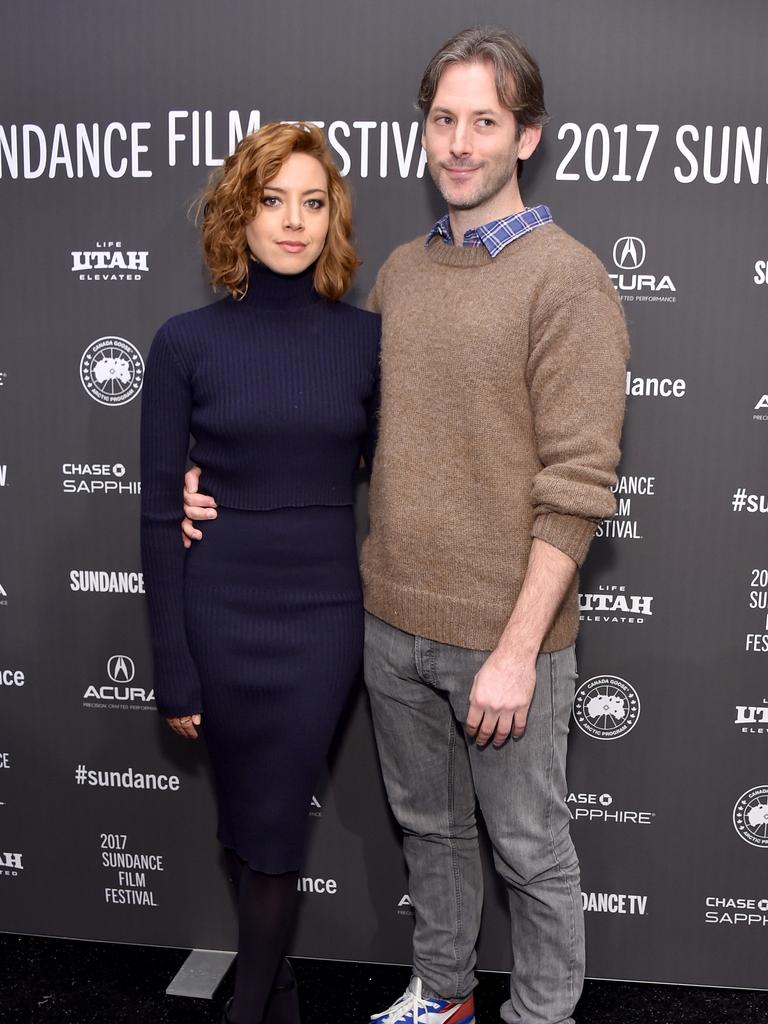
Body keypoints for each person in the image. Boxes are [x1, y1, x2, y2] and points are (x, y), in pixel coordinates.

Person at [183, 25, 628, 1024]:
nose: (461, 142)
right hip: (390, 625)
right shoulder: (400, 272)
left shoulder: (568, 279)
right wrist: (204, 481)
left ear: (526, 136)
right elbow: (338, 427)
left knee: (530, 846)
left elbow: (579, 486)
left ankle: (542, 1014)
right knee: (430, 831)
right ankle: (448, 991)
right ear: (424, 130)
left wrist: (516, 651)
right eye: (444, 119)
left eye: (485, 120)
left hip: (505, 640)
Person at [140, 120, 379, 1024]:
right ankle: (275, 988)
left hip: (323, 618)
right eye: (272, 201)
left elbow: (397, 472)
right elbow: (160, 513)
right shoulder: (183, 344)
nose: (293, 222)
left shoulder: (368, 343)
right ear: (238, 215)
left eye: (312, 203)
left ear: (332, 218)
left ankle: (249, 1006)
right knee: (243, 823)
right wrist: (174, 665)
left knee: (274, 827)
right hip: (219, 608)